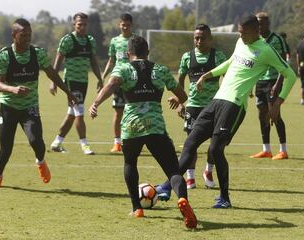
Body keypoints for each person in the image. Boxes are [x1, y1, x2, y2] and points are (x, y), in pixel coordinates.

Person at [156, 15, 296, 208]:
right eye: (239, 32)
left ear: (255, 31)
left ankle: (224, 198)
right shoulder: (240, 42)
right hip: (217, 100)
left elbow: (290, 74)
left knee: (215, 149)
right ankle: (166, 186)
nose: (241, 36)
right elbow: (231, 62)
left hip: (235, 105)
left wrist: (278, 103)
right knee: (190, 142)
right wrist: (208, 74)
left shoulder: (266, 50)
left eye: (244, 32)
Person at [89, 36, 197, 228]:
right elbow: (183, 95)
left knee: (130, 163)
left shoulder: (124, 68)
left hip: (132, 127)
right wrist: (176, 100)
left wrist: (96, 103)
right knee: (173, 171)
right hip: (155, 127)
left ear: (129, 54)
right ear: (148, 53)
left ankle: (137, 208)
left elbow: (111, 85)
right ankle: (183, 200)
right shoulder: (161, 70)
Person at [0, 18, 78, 189]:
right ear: (14, 35)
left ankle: (40, 161)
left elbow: (52, 73)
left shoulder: (38, 53)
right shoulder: (4, 55)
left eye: (29, 34)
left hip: (29, 107)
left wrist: (67, 92)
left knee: (36, 140)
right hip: (8, 107)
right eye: (23, 35)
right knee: (5, 149)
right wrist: (13, 89)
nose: (27, 38)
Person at [176, 24, 227, 189]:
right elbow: (180, 80)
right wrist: (180, 102)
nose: (199, 41)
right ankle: (190, 177)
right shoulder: (187, 57)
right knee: (191, 143)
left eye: (202, 38)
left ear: (210, 39)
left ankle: (208, 171)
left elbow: (227, 76)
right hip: (193, 106)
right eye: (196, 38)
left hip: (214, 106)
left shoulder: (218, 56)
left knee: (215, 143)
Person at [49, 12, 103, 155]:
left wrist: (100, 78)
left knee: (72, 114)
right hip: (70, 82)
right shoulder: (67, 40)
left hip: (84, 81)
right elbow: (58, 62)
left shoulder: (90, 41)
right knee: (79, 113)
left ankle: (57, 142)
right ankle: (84, 144)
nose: (83, 27)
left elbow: (93, 61)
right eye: (80, 24)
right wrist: (53, 82)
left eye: (85, 24)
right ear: (74, 24)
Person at [250, 12, 289, 160]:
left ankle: (283, 150)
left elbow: (284, 63)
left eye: (262, 23)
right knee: (262, 115)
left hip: (273, 81)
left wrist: (278, 84)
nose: (260, 26)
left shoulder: (277, 39)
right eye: (257, 23)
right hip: (260, 82)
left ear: (268, 23)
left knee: (275, 115)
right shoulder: (255, 40)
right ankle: (266, 149)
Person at [102, 13, 134, 153]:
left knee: (134, 111)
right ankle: (117, 143)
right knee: (118, 112)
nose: (125, 27)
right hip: (118, 81)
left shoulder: (136, 40)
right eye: (123, 24)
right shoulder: (114, 41)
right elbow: (111, 60)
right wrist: (103, 76)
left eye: (127, 25)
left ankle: (134, 140)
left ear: (131, 25)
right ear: (119, 24)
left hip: (133, 81)